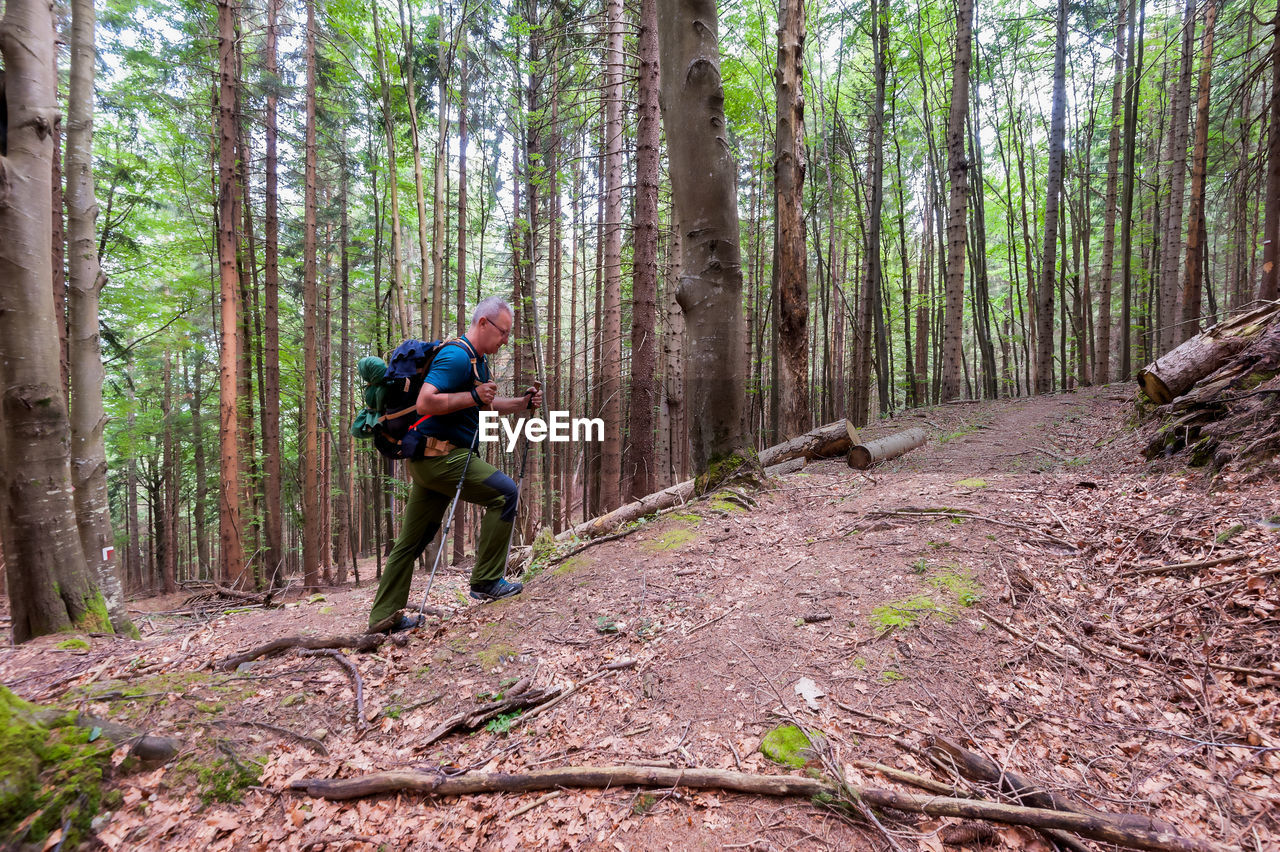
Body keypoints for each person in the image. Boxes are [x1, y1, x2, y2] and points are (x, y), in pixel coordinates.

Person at [368, 296, 542, 633]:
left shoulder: (479, 362)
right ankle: (487, 580)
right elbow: (426, 401)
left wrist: (520, 403)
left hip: (431, 460)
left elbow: (482, 406)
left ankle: (383, 619)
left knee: (411, 542)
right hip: (443, 458)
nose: (505, 340)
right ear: (482, 324)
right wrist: (474, 397)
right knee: (505, 494)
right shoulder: (457, 356)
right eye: (503, 332)